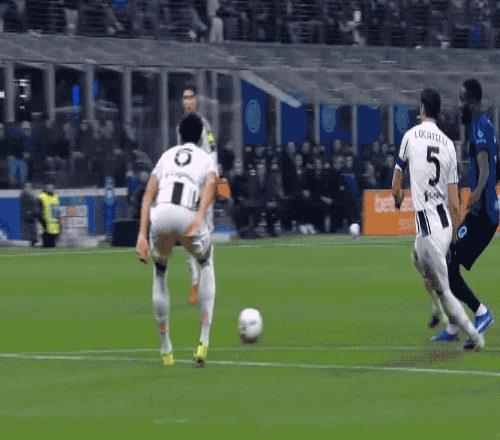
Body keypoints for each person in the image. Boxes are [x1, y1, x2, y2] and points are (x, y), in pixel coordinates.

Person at [392, 88, 484, 351]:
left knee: (445, 291)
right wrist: (453, 238)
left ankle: (474, 336)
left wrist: (398, 197)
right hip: (443, 226)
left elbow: (396, 186)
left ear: (422, 108)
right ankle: (438, 311)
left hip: (429, 230)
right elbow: (455, 201)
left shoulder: (410, 137)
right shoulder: (448, 144)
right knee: (416, 258)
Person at [135, 113, 218, 367]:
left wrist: (142, 234)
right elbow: (211, 186)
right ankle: (203, 339)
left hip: (160, 215)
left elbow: (148, 192)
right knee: (206, 262)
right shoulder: (205, 158)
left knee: (160, 272)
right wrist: (200, 216)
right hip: (187, 214)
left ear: (180, 135)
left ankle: (165, 347)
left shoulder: (167, 155)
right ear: (201, 137)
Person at [431, 78, 498, 342]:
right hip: (482, 213)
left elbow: (485, 169)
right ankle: (455, 325)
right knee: (447, 260)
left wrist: (477, 194)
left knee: (448, 265)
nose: (459, 105)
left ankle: (481, 313)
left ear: (472, 102)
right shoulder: (483, 126)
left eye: (461, 100)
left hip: (483, 216)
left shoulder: (479, 128)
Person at [178, 88, 218, 306]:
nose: (188, 101)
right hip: (189, 183)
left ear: (196, 101)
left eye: (191, 97)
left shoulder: (205, 125)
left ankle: (206, 279)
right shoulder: (180, 128)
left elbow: (212, 151)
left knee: (207, 231)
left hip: (204, 183)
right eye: (185, 98)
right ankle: (195, 280)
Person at [38, 183, 61, 248]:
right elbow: (38, 213)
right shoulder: (41, 197)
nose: (51, 189)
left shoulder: (56, 197)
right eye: (49, 187)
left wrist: (59, 225)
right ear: (46, 187)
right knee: (46, 248)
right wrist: (43, 224)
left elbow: (57, 212)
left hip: (55, 228)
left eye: (52, 187)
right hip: (46, 228)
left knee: (53, 248)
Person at [20, 182, 39, 246]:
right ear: (24, 188)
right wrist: (28, 211)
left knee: (33, 230)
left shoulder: (32, 196)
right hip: (26, 218)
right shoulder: (23, 196)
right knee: (27, 232)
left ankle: (34, 242)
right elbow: (23, 207)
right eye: (27, 187)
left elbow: (35, 205)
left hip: (32, 217)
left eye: (30, 187)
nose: (28, 188)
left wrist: (34, 212)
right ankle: (28, 242)